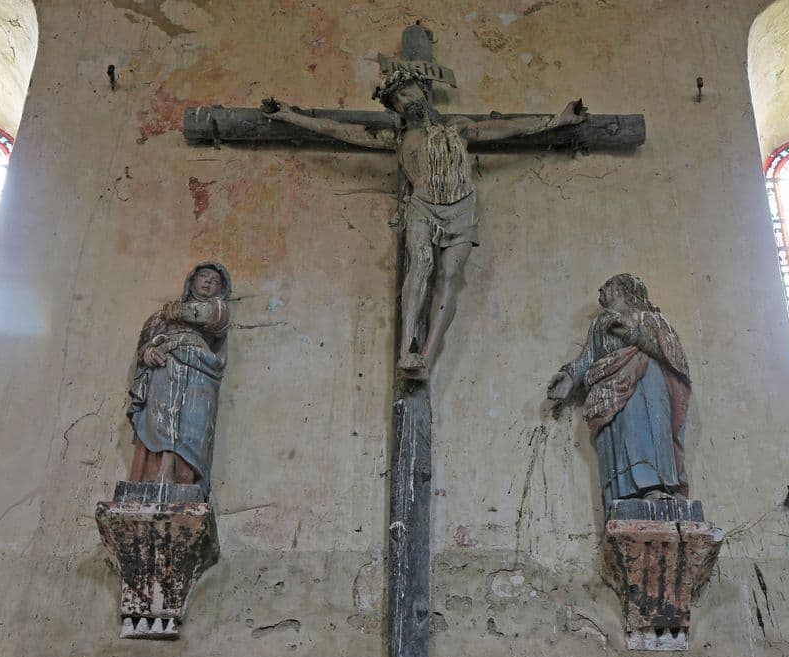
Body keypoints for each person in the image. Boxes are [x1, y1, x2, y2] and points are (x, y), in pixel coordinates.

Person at [264, 69, 585, 377]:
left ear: (422, 90)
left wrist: (559, 119)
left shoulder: (459, 128)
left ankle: (426, 358)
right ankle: (407, 350)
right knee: (420, 263)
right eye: (397, 101)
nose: (405, 101)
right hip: (422, 208)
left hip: (461, 209)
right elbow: (340, 130)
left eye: (407, 92)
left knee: (449, 276)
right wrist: (291, 116)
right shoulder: (399, 137)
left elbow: (508, 128)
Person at [547, 274, 691, 507]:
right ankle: (628, 494)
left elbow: (673, 356)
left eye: (608, 285)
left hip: (648, 382)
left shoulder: (652, 318)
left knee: (649, 429)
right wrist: (569, 377)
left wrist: (634, 335)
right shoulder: (601, 323)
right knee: (624, 435)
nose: (601, 289)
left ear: (623, 290)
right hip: (610, 390)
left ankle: (659, 486)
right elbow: (588, 357)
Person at [127, 263, 231, 497]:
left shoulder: (217, 309)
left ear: (220, 290)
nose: (208, 282)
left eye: (215, 281)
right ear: (191, 281)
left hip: (201, 371)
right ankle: (157, 477)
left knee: (194, 424)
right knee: (161, 419)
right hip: (166, 366)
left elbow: (210, 317)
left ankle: (185, 478)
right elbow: (145, 343)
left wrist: (175, 311)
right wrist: (148, 353)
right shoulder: (161, 316)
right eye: (204, 276)